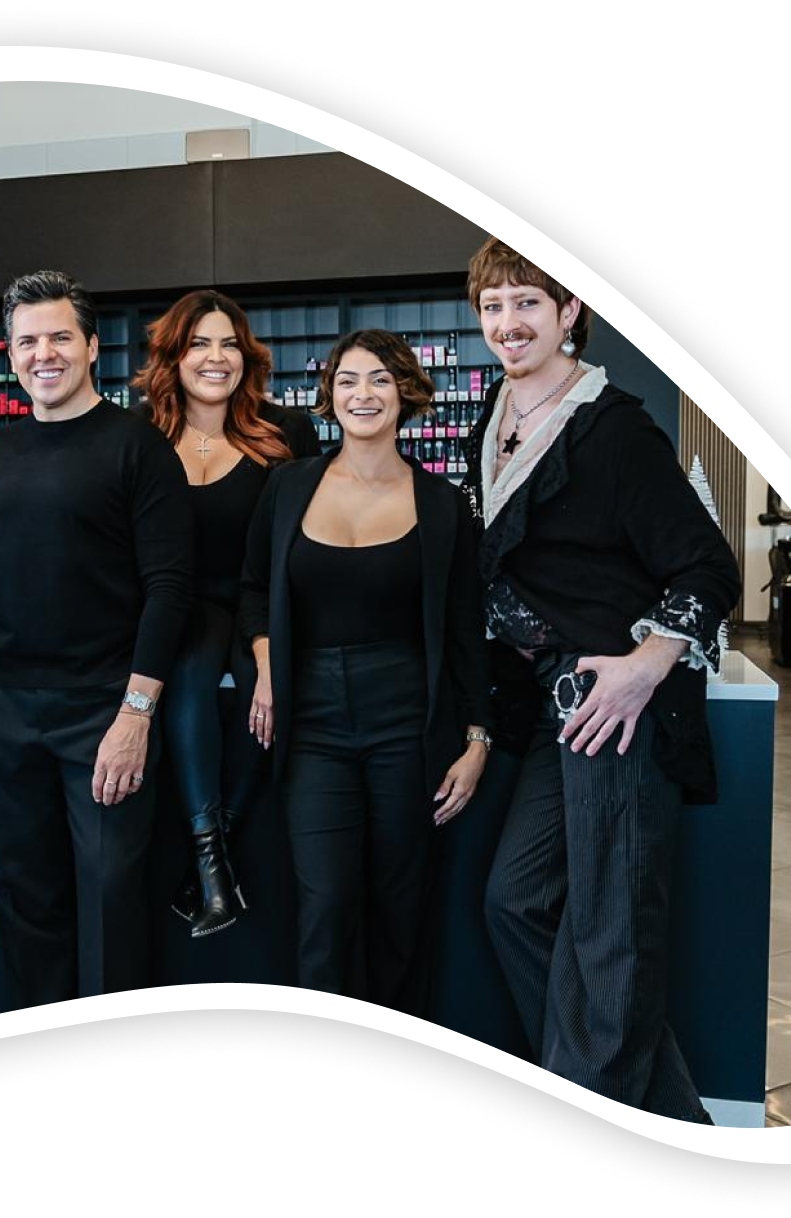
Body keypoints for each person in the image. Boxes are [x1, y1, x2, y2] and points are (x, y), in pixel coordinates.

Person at [459, 236, 741, 1121]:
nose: (508, 324)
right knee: (513, 902)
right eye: (493, 306)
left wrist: (645, 667)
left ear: (569, 313)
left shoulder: (613, 426)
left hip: (613, 714)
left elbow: (706, 566)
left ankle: (599, 1125)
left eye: (528, 304)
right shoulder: (492, 418)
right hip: (542, 714)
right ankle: (660, 1120)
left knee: (611, 937)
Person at [0, 270, 193, 1005]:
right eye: (27, 341)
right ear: (9, 353)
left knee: (112, 893)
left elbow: (168, 590)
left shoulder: (138, 449)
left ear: (90, 345)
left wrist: (135, 717)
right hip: (4, 708)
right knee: (24, 894)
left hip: (102, 711)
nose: (42, 353)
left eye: (58, 337)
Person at [240, 329, 491, 1013]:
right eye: (348, 380)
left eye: (379, 379)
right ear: (329, 396)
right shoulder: (287, 485)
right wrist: (266, 667)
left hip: (406, 719)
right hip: (311, 718)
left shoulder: (441, 505)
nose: (363, 394)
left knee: (399, 904)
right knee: (324, 900)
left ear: (405, 393)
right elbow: (253, 590)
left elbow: (465, 629)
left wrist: (476, 738)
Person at [131, 289, 320, 938]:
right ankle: (213, 871)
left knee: (282, 705)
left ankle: (212, 855)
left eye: (229, 343)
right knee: (186, 677)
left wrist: (270, 654)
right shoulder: (141, 436)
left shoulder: (285, 432)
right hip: (175, 608)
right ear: (173, 355)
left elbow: (299, 549)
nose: (216, 358)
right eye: (199, 343)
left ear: (247, 355)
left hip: (260, 602)